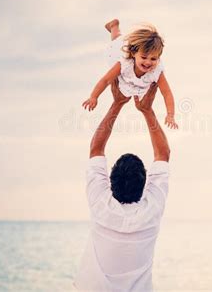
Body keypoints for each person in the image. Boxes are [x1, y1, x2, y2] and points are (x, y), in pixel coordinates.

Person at [73, 79, 171, 291]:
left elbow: (96, 149)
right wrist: (147, 111)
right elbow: (163, 154)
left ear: (110, 181)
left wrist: (117, 103)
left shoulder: (101, 204)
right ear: (145, 184)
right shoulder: (151, 210)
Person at [82, 18, 178, 129]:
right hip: (118, 50)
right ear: (133, 53)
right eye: (144, 57)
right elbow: (105, 80)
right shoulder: (124, 63)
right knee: (116, 40)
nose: (148, 62)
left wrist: (170, 115)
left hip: (136, 82)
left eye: (153, 59)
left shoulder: (157, 71)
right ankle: (114, 26)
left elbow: (167, 93)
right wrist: (94, 97)